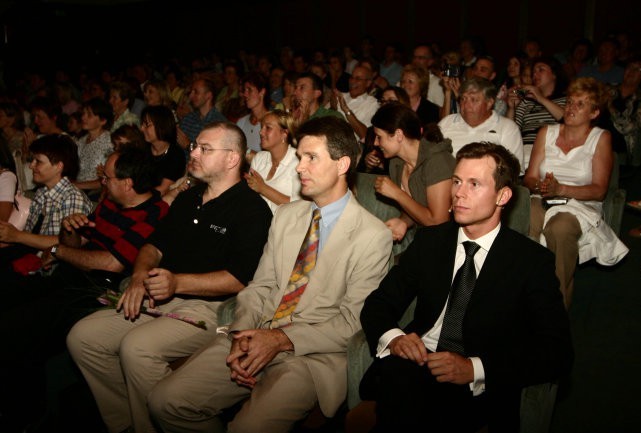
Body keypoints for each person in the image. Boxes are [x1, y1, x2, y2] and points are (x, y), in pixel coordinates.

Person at [148, 116, 393, 433]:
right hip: (253, 334)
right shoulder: (288, 216)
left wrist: (280, 339)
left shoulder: (372, 236)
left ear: (342, 164)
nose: (300, 167)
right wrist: (241, 333)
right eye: (299, 157)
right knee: (164, 401)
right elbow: (259, 286)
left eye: (310, 158)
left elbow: (353, 321)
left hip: (308, 357)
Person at [66, 122, 272, 433]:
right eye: (195, 146)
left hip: (212, 309)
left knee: (137, 347)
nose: (195, 153)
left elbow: (238, 280)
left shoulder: (252, 210)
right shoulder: (189, 198)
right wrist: (137, 277)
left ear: (232, 158)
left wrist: (177, 283)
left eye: (205, 149)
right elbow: (152, 246)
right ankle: (127, 423)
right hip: (160, 295)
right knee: (83, 337)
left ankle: (162, 421)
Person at [359, 141, 573, 433]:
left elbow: (556, 350)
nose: (459, 192)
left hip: (477, 387)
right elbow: (379, 304)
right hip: (416, 366)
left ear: (503, 195)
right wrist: (396, 338)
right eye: (457, 181)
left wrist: (475, 368)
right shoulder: (431, 242)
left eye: (474, 184)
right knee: (401, 385)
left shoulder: (531, 262)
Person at [0, 148, 169, 432]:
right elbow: (79, 245)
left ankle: (28, 415)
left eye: (108, 178)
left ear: (128, 184)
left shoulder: (155, 214)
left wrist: (59, 249)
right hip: (70, 276)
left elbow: (110, 264)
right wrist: (69, 230)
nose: (101, 182)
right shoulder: (111, 202)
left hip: (97, 293)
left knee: (16, 328)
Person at [524, 77, 629, 307]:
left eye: (580, 104)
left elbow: (600, 190)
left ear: (594, 113)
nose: (571, 108)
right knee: (526, 219)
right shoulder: (546, 132)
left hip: (580, 204)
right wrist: (541, 187)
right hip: (542, 198)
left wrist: (560, 188)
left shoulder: (600, 138)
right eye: (570, 101)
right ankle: (524, 294)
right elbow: (530, 177)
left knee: (560, 228)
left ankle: (555, 307)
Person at [0, 134, 92, 277]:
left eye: (38, 162)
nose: (31, 166)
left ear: (58, 166)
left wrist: (17, 236)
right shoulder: (42, 193)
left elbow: (65, 244)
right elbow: (31, 237)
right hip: (29, 256)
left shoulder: (72, 197)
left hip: (50, 269)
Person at [370, 103, 455, 252]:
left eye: (379, 137)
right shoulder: (396, 163)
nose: (376, 143)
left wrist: (397, 193)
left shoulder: (438, 161)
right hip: (424, 242)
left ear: (398, 135)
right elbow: (418, 208)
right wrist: (403, 221)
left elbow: (438, 223)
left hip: (450, 246)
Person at [438, 77, 524, 171]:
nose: (466, 105)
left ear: (489, 103)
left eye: (473, 100)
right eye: (463, 99)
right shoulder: (446, 123)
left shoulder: (507, 128)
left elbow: (514, 171)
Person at [506, 56, 567, 169]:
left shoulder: (566, 100)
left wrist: (541, 99)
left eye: (541, 70)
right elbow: (511, 131)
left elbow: (567, 120)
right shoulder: (526, 102)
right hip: (526, 150)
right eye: (533, 72)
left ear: (554, 74)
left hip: (552, 150)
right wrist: (511, 108)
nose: (535, 74)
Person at [244, 109, 301, 213]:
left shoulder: (298, 162)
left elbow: (300, 206)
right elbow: (249, 197)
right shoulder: (259, 158)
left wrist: (263, 188)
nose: (261, 132)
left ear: (284, 134)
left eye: (268, 128)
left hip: (285, 226)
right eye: (261, 127)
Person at [332, 64, 380, 142]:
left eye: (358, 79)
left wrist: (346, 110)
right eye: (351, 77)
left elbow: (365, 136)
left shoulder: (373, 104)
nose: (352, 81)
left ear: (368, 83)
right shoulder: (340, 95)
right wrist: (332, 108)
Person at [177, 76, 227, 149]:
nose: (191, 96)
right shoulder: (188, 118)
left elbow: (214, 154)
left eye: (196, 92)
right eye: (191, 92)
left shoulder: (219, 123)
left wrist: (189, 145)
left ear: (208, 96)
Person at [236, 72, 270, 158]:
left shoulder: (273, 123)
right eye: (244, 90)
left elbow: (273, 159)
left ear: (262, 92)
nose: (245, 94)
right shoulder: (241, 122)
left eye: (249, 90)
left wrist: (246, 151)